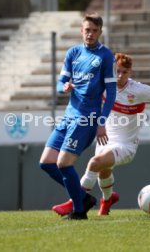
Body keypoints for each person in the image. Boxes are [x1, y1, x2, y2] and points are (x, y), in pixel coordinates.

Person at [52, 52, 150, 216]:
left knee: (95, 163)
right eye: (117, 71)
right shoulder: (103, 85)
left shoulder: (138, 90)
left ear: (130, 72)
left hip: (126, 145)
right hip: (105, 141)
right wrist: (69, 86)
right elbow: (80, 85)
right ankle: (107, 200)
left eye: (124, 72)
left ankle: (75, 202)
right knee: (103, 171)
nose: (120, 75)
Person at [39, 13, 117, 220]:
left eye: (94, 30)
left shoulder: (106, 56)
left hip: (87, 118)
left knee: (63, 163)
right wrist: (63, 86)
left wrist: (101, 122)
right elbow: (60, 82)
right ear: (81, 31)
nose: (90, 34)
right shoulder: (73, 52)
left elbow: (111, 93)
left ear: (100, 32)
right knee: (46, 162)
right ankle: (83, 197)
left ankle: (80, 211)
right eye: (87, 30)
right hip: (69, 115)